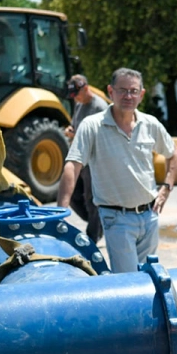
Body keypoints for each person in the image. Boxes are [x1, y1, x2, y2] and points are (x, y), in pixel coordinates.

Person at [57, 68, 177, 273]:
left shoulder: (150, 124)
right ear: (110, 92)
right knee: (129, 282)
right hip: (116, 218)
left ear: (142, 94)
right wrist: (60, 211)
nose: (128, 96)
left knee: (148, 277)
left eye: (133, 91)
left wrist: (166, 187)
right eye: (122, 90)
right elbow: (73, 164)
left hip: (150, 216)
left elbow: (173, 153)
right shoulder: (92, 125)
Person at [64, 74, 110, 242]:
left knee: (92, 200)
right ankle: (98, 225)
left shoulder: (99, 107)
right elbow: (76, 125)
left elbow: (103, 136)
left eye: (77, 94)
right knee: (73, 195)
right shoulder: (79, 105)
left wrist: (76, 134)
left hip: (93, 160)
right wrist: (71, 128)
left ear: (85, 88)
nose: (75, 98)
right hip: (79, 160)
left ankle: (92, 237)